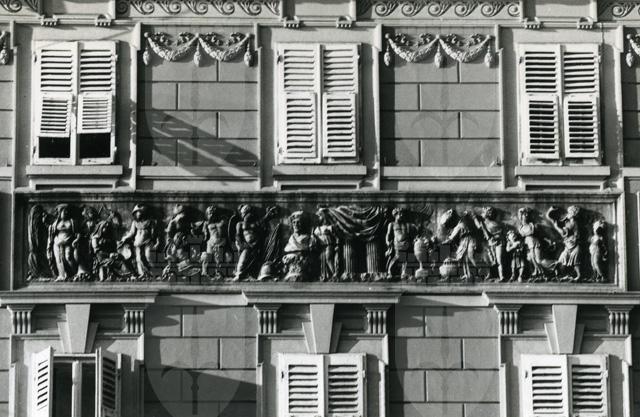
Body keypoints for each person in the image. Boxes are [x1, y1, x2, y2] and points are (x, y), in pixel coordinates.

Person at [120, 205, 159, 279]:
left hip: (147, 243)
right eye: (136, 212)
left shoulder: (150, 222)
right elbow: (131, 233)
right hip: (138, 244)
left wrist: (156, 241)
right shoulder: (135, 223)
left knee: (148, 257)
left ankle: (153, 274)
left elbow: (155, 234)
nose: (138, 214)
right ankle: (142, 274)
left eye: (139, 212)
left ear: (143, 213)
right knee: (138, 259)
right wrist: (125, 238)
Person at [48, 204, 80, 281]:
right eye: (64, 211)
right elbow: (52, 233)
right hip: (57, 243)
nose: (66, 213)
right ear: (60, 212)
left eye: (67, 211)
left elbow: (78, 233)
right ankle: (62, 275)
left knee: (68, 257)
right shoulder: (56, 223)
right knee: (59, 259)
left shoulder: (72, 221)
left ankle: (74, 274)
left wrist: (76, 240)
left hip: (68, 242)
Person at [385, 208, 416, 279]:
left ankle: (404, 273)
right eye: (400, 214)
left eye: (402, 214)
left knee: (405, 258)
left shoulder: (406, 224)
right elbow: (388, 234)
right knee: (397, 257)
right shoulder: (392, 224)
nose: (401, 215)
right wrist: (387, 241)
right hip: (397, 243)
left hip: (406, 243)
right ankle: (390, 272)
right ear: (395, 215)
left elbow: (409, 233)